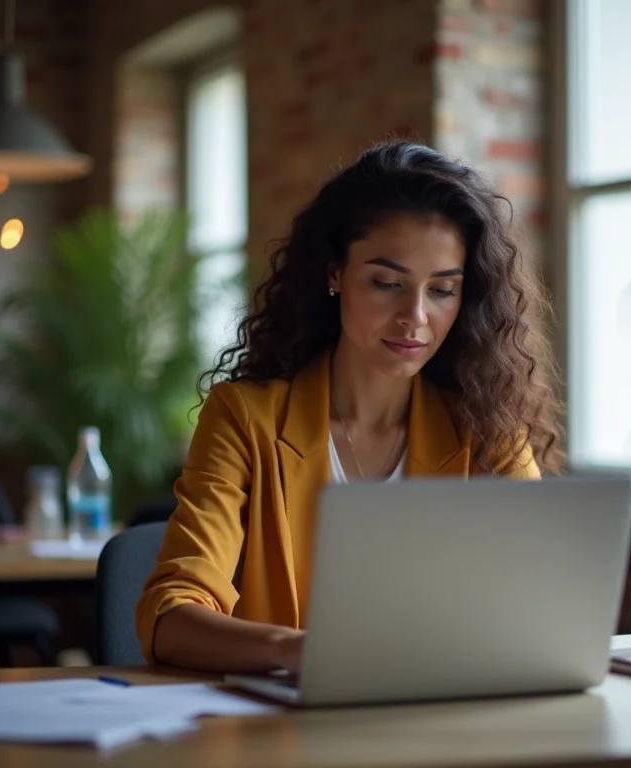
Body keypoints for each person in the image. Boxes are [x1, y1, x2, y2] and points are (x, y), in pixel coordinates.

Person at [136, 140, 563, 674]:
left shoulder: (487, 430)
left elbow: (543, 610)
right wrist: (304, 652)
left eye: (442, 291)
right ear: (335, 273)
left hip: (445, 722)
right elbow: (171, 617)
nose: (415, 317)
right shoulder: (245, 420)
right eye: (387, 283)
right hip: (290, 732)